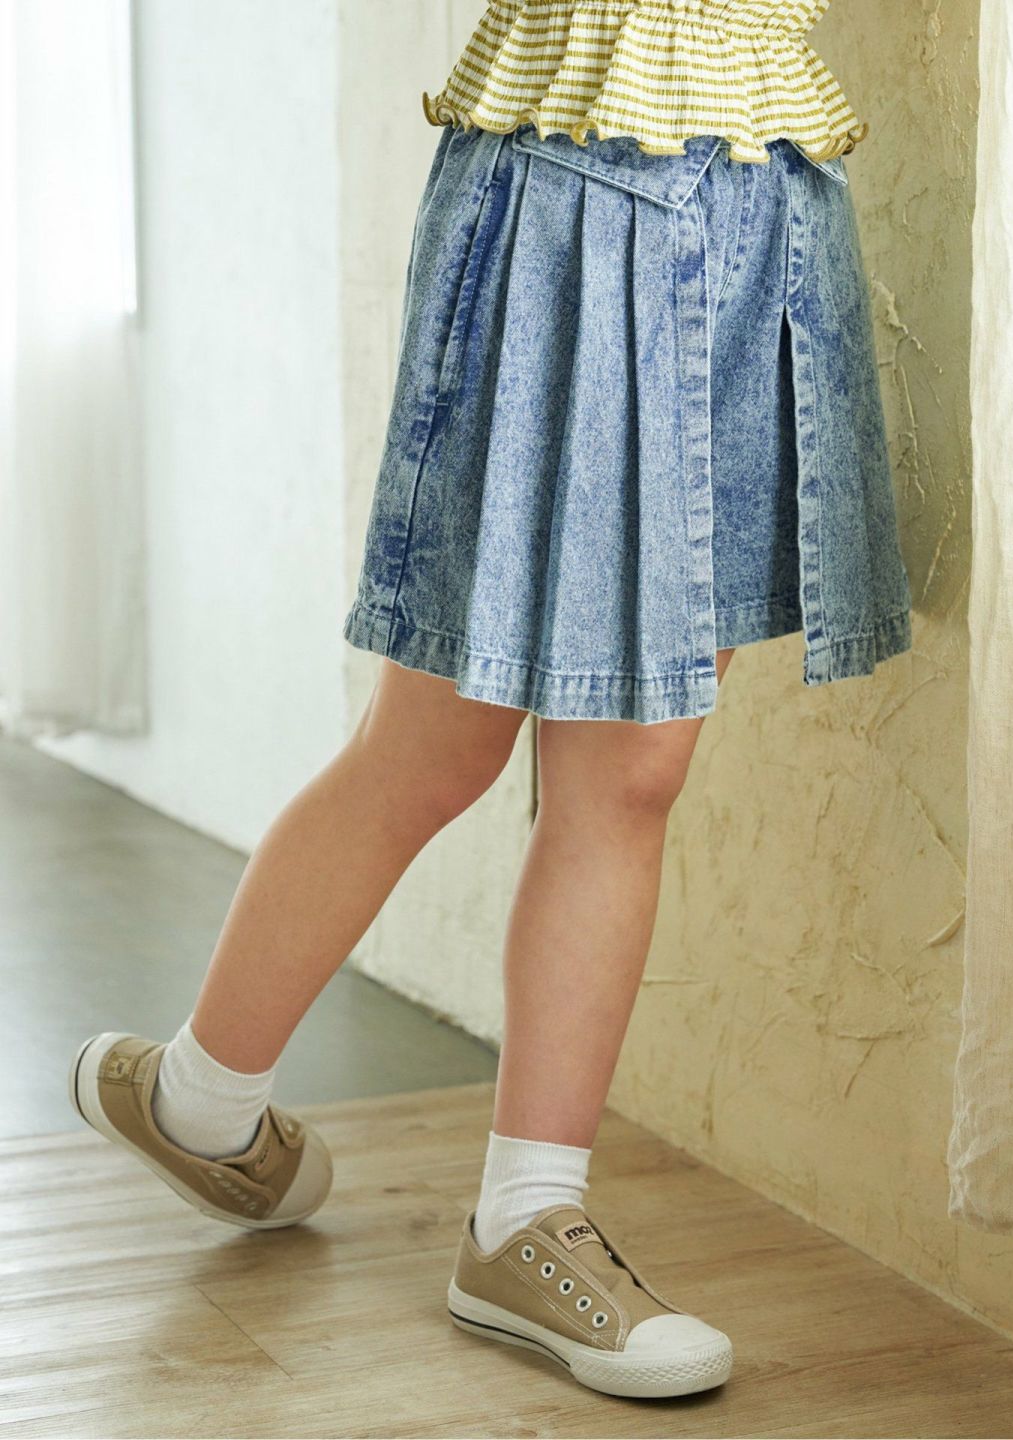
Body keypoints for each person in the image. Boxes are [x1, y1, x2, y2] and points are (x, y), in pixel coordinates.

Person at [69, 0, 912, 1401]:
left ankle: (526, 1217)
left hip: (761, 190)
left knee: (636, 768)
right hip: (568, 190)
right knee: (438, 742)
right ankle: (202, 1096)